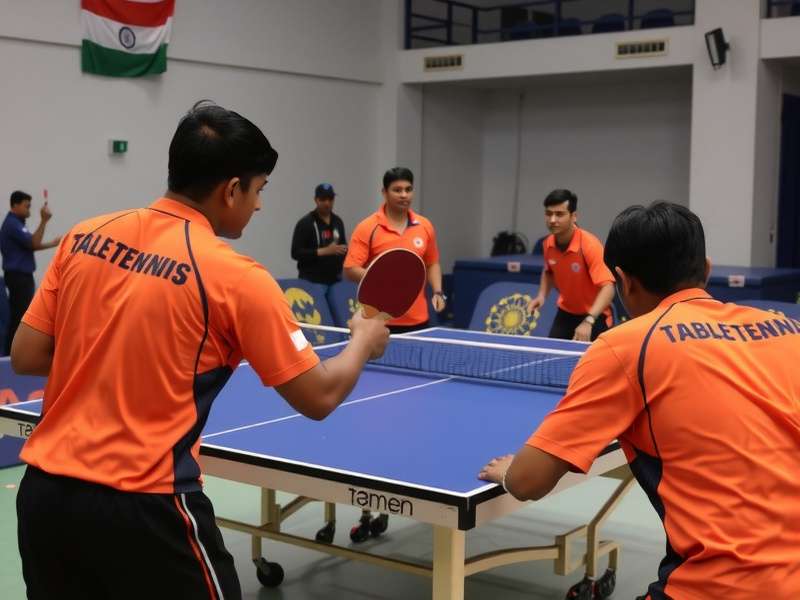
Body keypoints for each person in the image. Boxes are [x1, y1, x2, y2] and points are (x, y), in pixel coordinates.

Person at [10, 101, 388, 600]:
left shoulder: (85, 235)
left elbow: (27, 355)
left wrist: (119, 356)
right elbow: (318, 396)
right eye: (258, 190)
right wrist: (361, 341)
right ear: (231, 189)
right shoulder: (238, 278)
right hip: (147, 508)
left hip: (45, 499)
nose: (258, 206)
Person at [480, 202, 800, 599]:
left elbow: (529, 482)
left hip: (723, 585)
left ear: (622, 281)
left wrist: (510, 471)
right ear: (706, 270)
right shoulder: (787, 329)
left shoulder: (624, 348)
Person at [344, 167, 445, 334]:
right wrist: (385, 280)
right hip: (377, 320)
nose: (404, 195)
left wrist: (438, 291)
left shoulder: (425, 226)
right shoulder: (367, 227)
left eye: (408, 189)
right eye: (397, 190)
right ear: (384, 192)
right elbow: (350, 269)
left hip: (418, 320)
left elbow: (432, 263)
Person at [527, 189, 615, 342]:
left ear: (574, 216)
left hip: (595, 314)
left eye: (559, 214)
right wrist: (541, 295)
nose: (552, 220)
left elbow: (608, 288)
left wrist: (589, 320)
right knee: (551, 357)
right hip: (566, 313)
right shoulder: (548, 243)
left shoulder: (589, 245)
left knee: (592, 363)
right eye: (548, 214)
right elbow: (548, 271)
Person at [0, 190, 61, 355]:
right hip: (18, 277)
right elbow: (33, 243)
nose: (29, 210)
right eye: (27, 206)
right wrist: (44, 220)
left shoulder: (17, 224)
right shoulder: (13, 224)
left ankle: (12, 353)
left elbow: (30, 246)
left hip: (20, 277)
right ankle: (12, 355)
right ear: (15, 205)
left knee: (19, 315)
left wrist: (52, 244)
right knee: (19, 316)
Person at [290, 183, 347, 285]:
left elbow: (343, 248)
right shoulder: (305, 223)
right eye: (323, 199)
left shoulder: (338, 221)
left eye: (330, 199)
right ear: (316, 200)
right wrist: (324, 251)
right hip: (311, 281)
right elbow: (295, 253)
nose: (327, 203)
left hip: (335, 281)